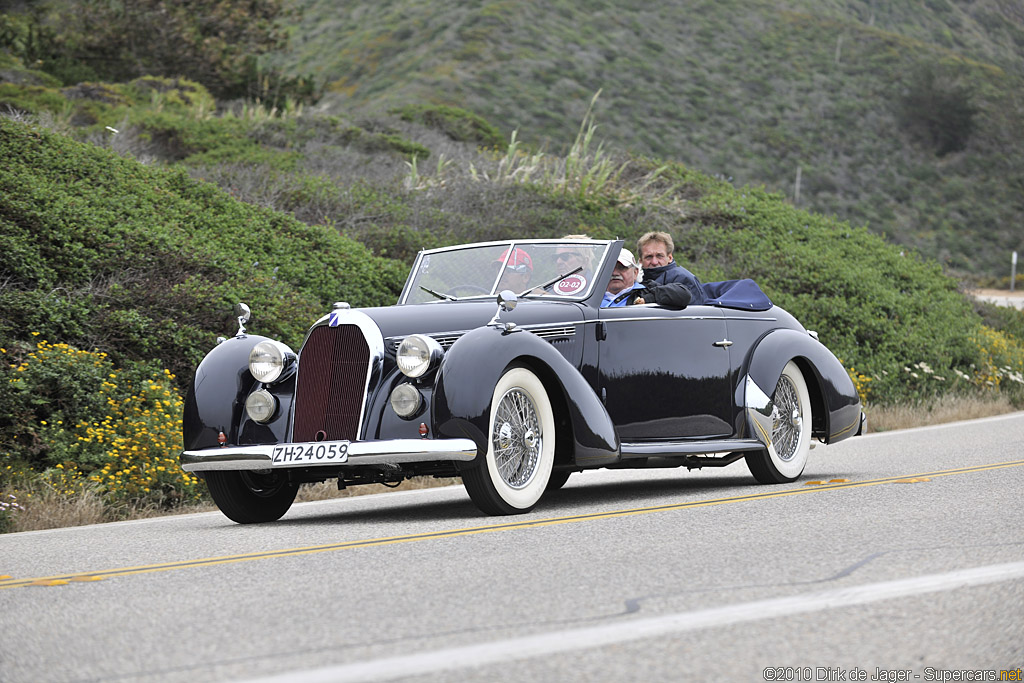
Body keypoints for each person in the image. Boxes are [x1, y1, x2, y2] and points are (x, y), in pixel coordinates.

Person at [601, 248, 691, 308]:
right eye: (610, 268)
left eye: (622, 268)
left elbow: (683, 294)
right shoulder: (590, 295)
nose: (615, 273)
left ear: (635, 272)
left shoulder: (645, 290)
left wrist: (648, 299)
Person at [636, 231, 705, 304]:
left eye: (659, 256)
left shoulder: (683, 278)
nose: (654, 262)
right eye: (649, 257)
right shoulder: (634, 281)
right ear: (640, 261)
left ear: (670, 257)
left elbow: (693, 312)